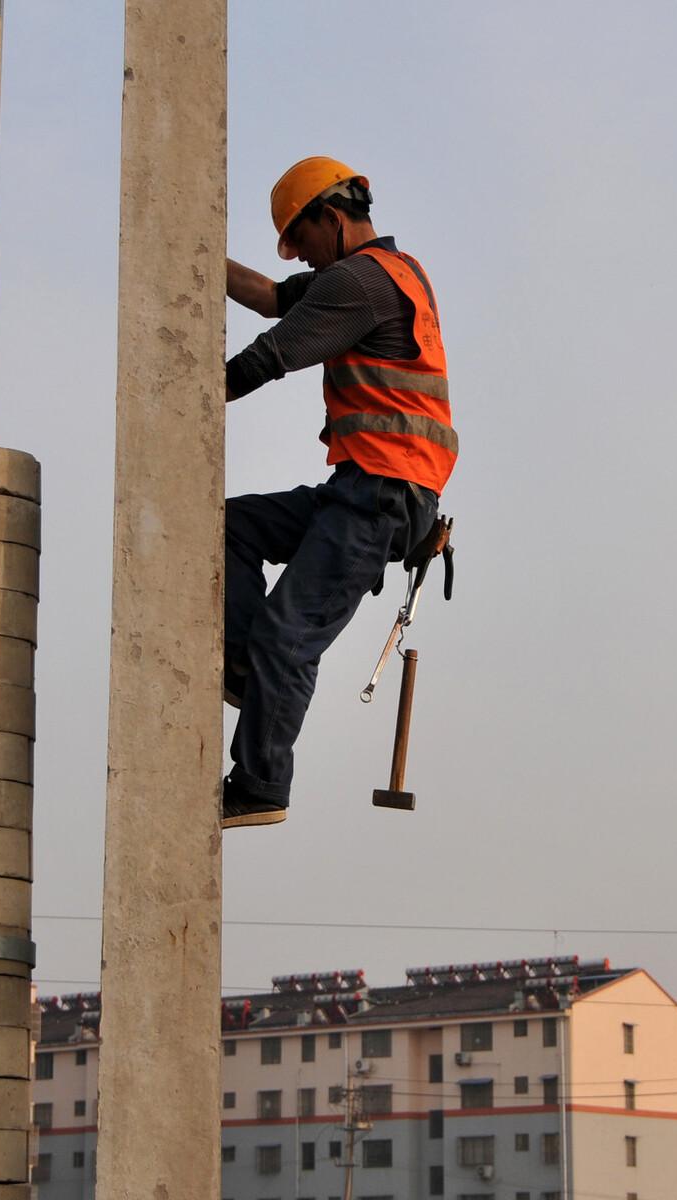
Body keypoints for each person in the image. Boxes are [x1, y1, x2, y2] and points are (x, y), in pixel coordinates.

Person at [222, 156, 458, 830]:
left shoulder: (358, 283)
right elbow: (271, 295)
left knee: (287, 635)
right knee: (228, 529)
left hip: (380, 495)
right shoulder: (382, 272)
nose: (295, 255)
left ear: (332, 217)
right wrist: (199, 258)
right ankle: (243, 668)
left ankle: (261, 785)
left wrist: (186, 399)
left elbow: (268, 355)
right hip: (363, 490)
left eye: (299, 238)